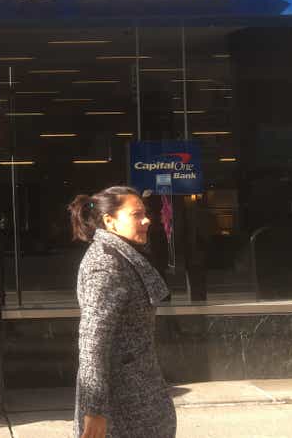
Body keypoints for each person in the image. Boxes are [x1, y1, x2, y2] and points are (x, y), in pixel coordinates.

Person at [69, 186, 175, 438]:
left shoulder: (121, 256)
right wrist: (94, 411)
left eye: (145, 213)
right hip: (122, 405)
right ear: (110, 221)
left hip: (136, 395)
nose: (147, 220)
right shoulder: (105, 264)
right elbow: (93, 341)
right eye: (136, 214)